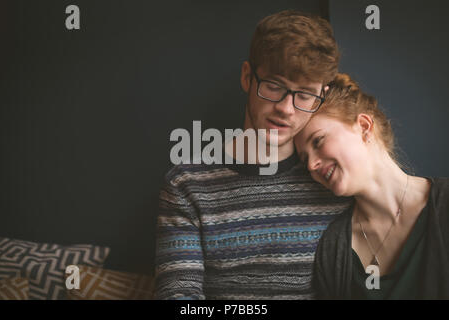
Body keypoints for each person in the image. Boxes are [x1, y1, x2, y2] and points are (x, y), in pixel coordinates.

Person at [154, 10, 351, 300]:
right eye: (274, 85)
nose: (286, 108)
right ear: (248, 77)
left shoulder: (334, 180)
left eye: (305, 94)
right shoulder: (186, 184)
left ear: (322, 94)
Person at [294, 73, 449, 299]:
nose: (310, 165)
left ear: (365, 127)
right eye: (303, 159)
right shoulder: (333, 247)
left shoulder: (443, 205)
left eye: (318, 141)